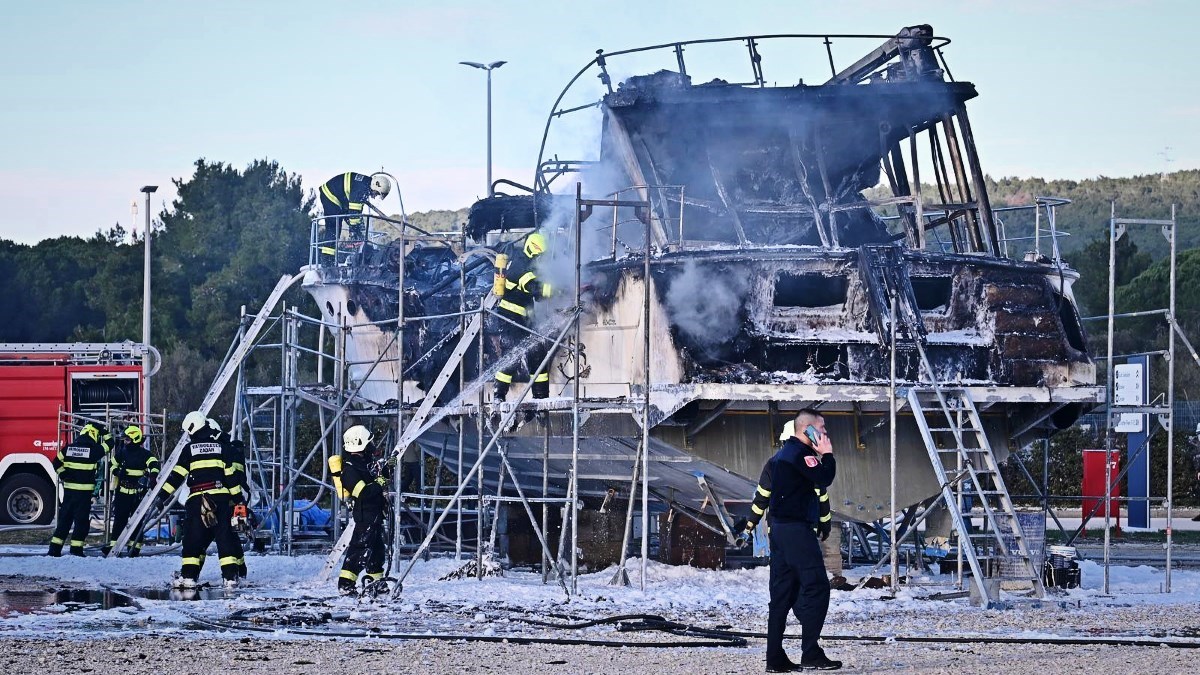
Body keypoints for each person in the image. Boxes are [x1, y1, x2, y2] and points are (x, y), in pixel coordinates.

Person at [745, 410, 840, 672]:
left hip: (779, 530)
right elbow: (825, 478)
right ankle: (810, 652)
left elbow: (816, 493)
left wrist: (823, 520)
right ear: (807, 429)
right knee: (818, 586)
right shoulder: (801, 455)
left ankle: (774, 658)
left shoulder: (780, 458)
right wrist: (828, 454)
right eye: (821, 428)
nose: (825, 434)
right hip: (796, 530)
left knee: (782, 595)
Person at [156, 411, 246, 589]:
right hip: (221, 499)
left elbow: (177, 476)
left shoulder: (190, 449)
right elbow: (231, 477)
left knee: (193, 539)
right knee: (225, 537)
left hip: (198, 500)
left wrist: (162, 497)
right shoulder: (222, 447)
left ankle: (188, 577)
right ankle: (230, 578)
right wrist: (238, 500)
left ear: (192, 428)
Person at [493, 231, 555, 401]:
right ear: (533, 250)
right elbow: (533, 287)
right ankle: (498, 396)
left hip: (524, 320)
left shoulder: (528, 263)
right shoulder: (520, 264)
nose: (540, 259)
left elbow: (538, 295)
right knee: (512, 355)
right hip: (510, 319)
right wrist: (557, 289)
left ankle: (541, 398)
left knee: (537, 353)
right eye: (539, 255)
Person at [335, 425, 389, 596]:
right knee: (359, 549)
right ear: (359, 444)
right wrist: (380, 483)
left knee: (377, 550)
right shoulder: (349, 469)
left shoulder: (365, 463)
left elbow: (378, 476)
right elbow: (364, 493)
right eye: (369, 442)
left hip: (375, 514)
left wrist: (387, 468)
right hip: (365, 515)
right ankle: (345, 584)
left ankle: (377, 582)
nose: (371, 445)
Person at [48, 421, 109, 557]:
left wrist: (63, 474)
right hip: (84, 495)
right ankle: (76, 550)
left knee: (64, 521)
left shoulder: (68, 448)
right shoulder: (94, 451)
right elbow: (110, 444)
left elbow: (56, 462)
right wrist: (104, 432)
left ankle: (54, 550)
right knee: (81, 523)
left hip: (69, 493)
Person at [103, 425, 159, 557]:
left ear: (135, 439)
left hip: (138, 494)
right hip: (122, 492)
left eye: (127, 439)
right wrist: (117, 472)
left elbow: (155, 464)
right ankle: (113, 546)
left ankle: (134, 548)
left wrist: (152, 476)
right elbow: (112, 464)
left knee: (137, 522)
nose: (125, 442)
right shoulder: (122, 452)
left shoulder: (145, 454)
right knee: (119, 521)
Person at [208, 418, 250, 578]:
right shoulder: (232, 450)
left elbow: (231, 478)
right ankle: (241, 568)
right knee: (233, 535)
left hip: (229, 501)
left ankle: (234, 571)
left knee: (227, 535)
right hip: (237, 500)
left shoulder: (224, 451)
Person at [318, 172, 392, 247]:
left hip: (341, 199)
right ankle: (327, 257)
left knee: (356, 225)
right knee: (333, 229)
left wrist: (359, 231)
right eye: (377, 193)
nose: (375, 196)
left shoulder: (365, 184)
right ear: (375, 186)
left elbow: (356, 212)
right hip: (330, 195)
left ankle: (356, 241)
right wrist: (355, 232)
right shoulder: (361, 190)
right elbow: (354, 214)